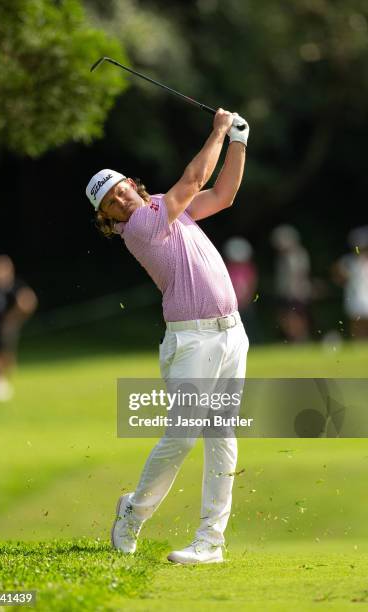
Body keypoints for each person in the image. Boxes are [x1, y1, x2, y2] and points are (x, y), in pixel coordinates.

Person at [86, 109, 249, 564]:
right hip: (192, 340)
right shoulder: (140, 226)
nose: (121, 200)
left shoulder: (161, 206)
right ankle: (133, 512)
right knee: (181, 436)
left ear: (132, 184)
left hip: (232, 334)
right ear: (108, 219)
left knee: (223, 437)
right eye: (111, 204)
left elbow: (224, 194)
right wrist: (218, 129)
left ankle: (211, 542)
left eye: (121, 190)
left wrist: (239, 141)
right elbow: (196, 179)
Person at [0, 255, 38, 401]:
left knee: (5, 353)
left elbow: (28, 301)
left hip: (7, 327)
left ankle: (4, 382)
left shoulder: (15, 286)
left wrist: (14, 317)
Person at [270, 225, 312, 342]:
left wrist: (296, 291)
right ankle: (295, 339)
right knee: (285, 318)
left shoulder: (298, 255)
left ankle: (300, 339)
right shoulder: (282, 257)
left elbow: (300, 274)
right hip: (285, 293)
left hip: (296, 293)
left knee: (296, 318)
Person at [332, 226, 368, 339]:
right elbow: (337, 276)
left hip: (365, 295)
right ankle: (358, 343)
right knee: (356, 322)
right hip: (354, 296)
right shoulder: (348, 260)